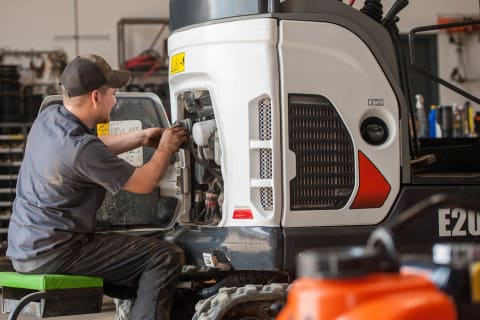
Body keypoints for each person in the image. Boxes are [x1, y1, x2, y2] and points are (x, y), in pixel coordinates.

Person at [6, 54, 189, 319]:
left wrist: (140, 137)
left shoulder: (49, 119)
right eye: (113, 94)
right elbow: (144, 182)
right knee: (164, 257)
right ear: (95, 97)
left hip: (27, 249)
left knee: (151, 284)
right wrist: (166, 147)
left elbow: (89, 151)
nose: (115, 101)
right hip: (58, 252)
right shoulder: (81, 149)